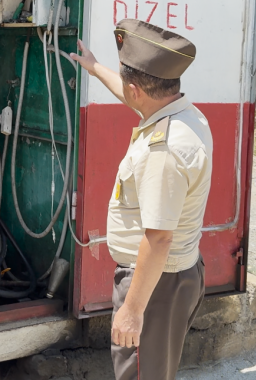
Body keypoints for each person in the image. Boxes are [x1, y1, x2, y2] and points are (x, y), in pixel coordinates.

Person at [70, 19, 212, 380]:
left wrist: (133, 310)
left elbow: (159, 237)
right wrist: (95, 67)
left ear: (137, 90)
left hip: (155, 284)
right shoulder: (181, 113)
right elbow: (133, 97)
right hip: (170, 276)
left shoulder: (163, 150)